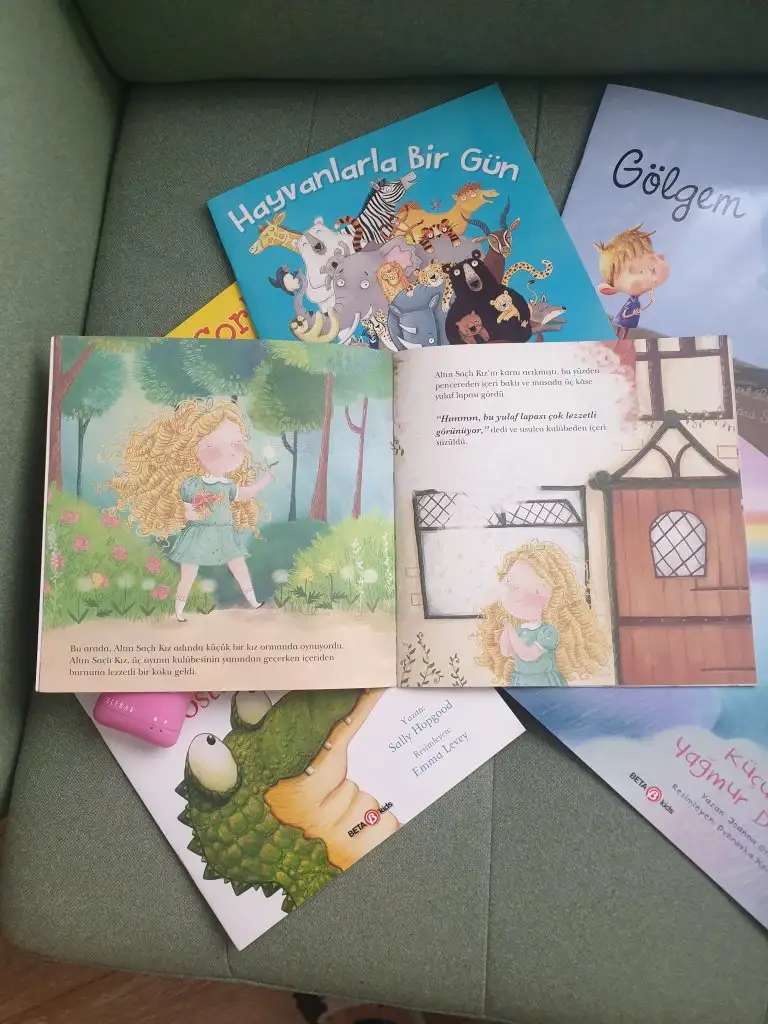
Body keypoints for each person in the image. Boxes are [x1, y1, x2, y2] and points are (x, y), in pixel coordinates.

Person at [108, 398, 272, 621]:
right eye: (214, 446)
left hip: (224, 534)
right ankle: (179, 609)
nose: (230, 453)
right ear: (192, 449)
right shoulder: (192, 485)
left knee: (239, 566)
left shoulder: (228, 485)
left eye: (236, 445)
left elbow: (245, 493)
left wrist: (263, 482)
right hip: (198, 534)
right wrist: (198, 509)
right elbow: (189, 514)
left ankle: (253, 601)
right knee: (189, 573)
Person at [476, 540, 610, 686]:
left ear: (554, 597)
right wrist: (506, 631)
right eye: (510, 581)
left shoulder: (548, 632)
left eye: (537, 589)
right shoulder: (520, 630)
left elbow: (527, 655)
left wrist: (510, 631)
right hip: (520, 682)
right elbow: (506, 652)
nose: (517, 592)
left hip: (545, 683)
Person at [593, 224, 669, 339]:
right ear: (609, 289)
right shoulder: (632, 303)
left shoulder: (637, 301)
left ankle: (621, 338)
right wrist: (629, 314)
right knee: (622, 327)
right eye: (640, 271)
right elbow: (625, 312)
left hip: (631, 320)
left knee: (626, 329)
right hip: (625, 318)